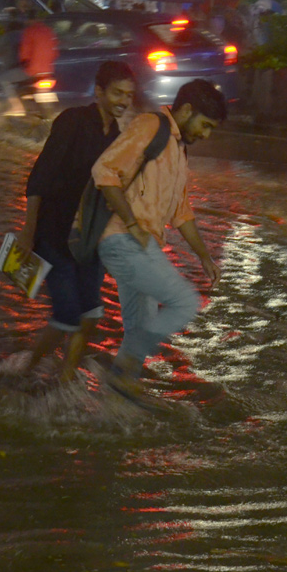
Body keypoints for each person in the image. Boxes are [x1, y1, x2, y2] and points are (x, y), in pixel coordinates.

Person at [90, 78, 226, 402]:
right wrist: (133, 223)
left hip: (141, 245)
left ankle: (113, 404)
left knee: (142, 327)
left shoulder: (179, 150)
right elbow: (104, 171)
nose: (206, 135)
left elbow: (180, 211)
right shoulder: (151, 126)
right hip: (123, 240)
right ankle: (120, 373)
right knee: (185, 302)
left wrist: (204, 257)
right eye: (205, 126)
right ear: (187, 110)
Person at [16, 61, 138, 383]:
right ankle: (25, 371)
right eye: (117, 93)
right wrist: (29, 232)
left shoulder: (117, 136)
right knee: (66, 317)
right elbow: (40, 176)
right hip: (54, 235)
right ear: (99, 92)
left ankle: (65, 380)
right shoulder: (72, 122)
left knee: (91, 315)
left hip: (89, 240)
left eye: (128, 95)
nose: (123, 101)